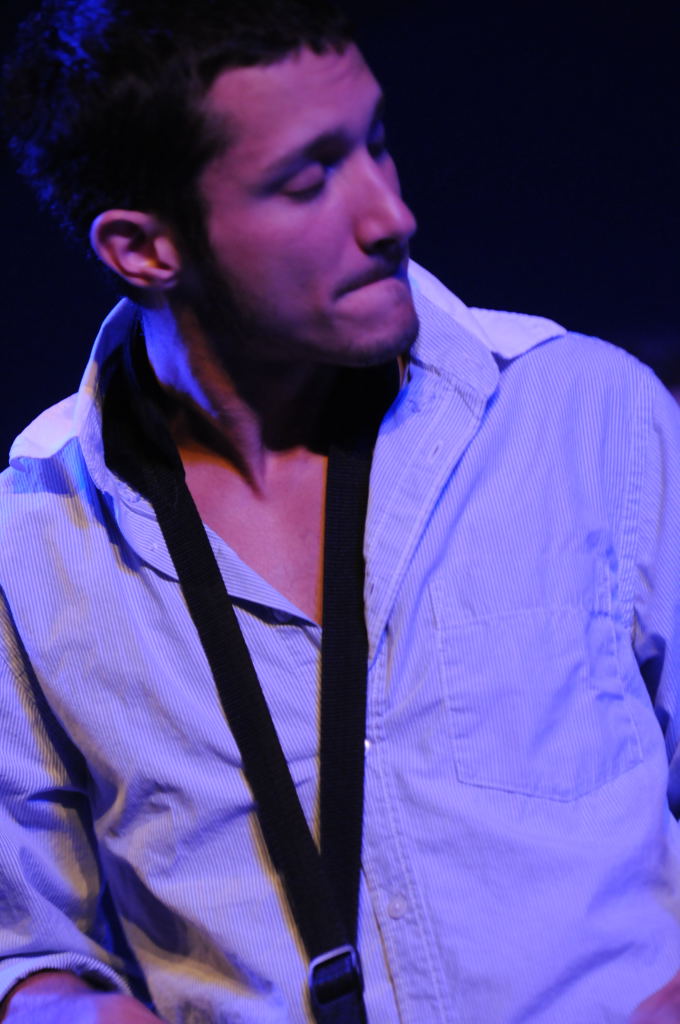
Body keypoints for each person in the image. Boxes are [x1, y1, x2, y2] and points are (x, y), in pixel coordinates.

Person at [1, 1, 680, 1021]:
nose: (389, 215)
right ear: (143, 250)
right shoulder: (32, 541)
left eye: (376, 143)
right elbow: (28, 951)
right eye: (308, 179)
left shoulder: (589, 415)